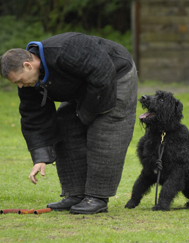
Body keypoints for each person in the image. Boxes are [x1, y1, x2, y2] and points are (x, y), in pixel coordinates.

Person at [0, 32, 138, 214]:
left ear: (28, 65)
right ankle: (76, 194)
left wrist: (85, 113)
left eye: (19, 81)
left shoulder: (66, 49)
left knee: (105, 131)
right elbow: (33, 116)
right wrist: (41, 156)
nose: (19, 86)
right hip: (84, 86)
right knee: (66, 124)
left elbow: (103, 73)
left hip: (115, 75)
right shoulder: (29, 82)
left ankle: (97, 197)